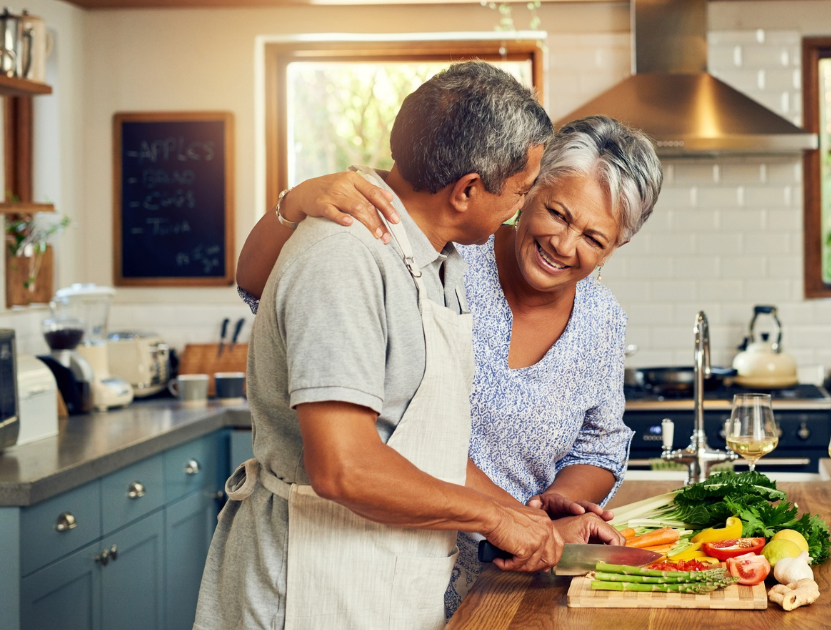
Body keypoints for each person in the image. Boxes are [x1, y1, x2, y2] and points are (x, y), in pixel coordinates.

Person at [194, 61, 616, 630]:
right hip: (310, 586)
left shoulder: (439, 264)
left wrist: (533, 524)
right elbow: (345, 468)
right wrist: (494, 520)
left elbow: (423, 446)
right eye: (519, 194)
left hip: (384, 580)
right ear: (467, 189)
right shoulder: (343, 256)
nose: (519, 212)